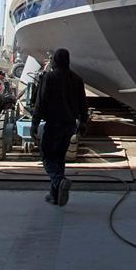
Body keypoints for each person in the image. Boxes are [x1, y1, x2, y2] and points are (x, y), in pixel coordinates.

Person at [31, 48, 88, 206]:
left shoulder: (49, 78)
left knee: (48, 157)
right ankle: (54, 195)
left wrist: (34, 123)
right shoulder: (77, 79)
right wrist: (83, 122)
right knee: (59, 159)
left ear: (55, 60)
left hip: (53, 124)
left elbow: (40, 102)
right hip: (69, 126)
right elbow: (84, 103)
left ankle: (59, 181)